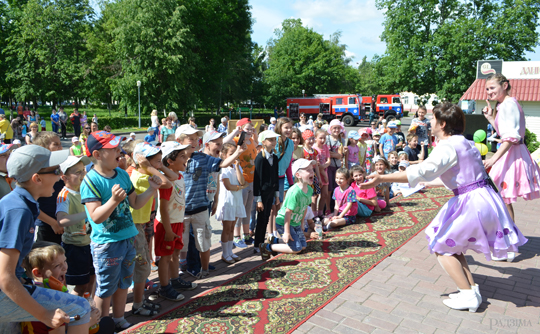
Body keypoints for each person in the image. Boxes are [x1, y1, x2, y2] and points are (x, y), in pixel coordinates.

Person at [361, 102, 527, 311]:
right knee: (452, 244)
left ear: (443, 123)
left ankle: (468, 295)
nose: (430, 123)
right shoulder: (465, 142)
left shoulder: (448, 146)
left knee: (441, 246)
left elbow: (422, 170)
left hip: (471, 202)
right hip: (482, 197)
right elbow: (462, 175)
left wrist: (381, 178)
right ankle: (471, 289)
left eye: (432, 119)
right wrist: (426, 182)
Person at [0, 145, 93, 334]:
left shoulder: (23, 202)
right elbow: (5, 277)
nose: (60, 177)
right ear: (37, 179)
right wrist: (44, 314)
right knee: (81, 308)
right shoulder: (19, 210)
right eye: (56, 171)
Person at [80, 131, 162, 331]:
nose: (120, 151)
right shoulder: (90, 181)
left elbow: (134, 203)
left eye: (119, 147)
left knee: (125, 282)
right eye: (114, 148)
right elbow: (96, 216)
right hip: (107, 244)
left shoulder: (123, 174)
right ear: (97, 155)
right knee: (106, 287)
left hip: (128, 239)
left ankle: (118, 319)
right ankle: (101, 324)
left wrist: (151, 189)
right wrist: (114, 200)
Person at [175, 124, 245, 279]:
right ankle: (186, 265)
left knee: (201, 238)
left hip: (200, 205)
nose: (194, 142)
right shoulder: (173, 159)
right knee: (184, 240)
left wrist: (238, 152)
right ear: (179, 140)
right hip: (180, 208)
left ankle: (198, 265)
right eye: (190, 139)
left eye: (195, 139)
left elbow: (222, 165)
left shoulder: (203, 158)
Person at [482, 73, 540, 230]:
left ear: (505, 86)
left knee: (500, 195)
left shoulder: (508, 104)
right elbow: (506, 133)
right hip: (511, 152)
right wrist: (490, 118)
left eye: (492, 88)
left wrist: (493, 160)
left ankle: (509, 237)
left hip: (512, 154)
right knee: (501, 196)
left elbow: (511, 137)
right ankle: (508, 235)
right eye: (487, 89)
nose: (489, 92)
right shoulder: (504, 105)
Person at [129, 142, 181, 316]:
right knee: (142, 267)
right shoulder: (142, 177)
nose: (161, 165)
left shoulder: (143, 174)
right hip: (135, 227)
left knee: (143, 266)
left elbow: (171, 177)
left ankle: (140, 301)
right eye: (157, 162)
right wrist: (150, 168)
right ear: (143, 163)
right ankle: (137, 305)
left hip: (141, 225)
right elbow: (166, 183)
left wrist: (151, 166)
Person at [21, 242, 109, 334]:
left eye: (65, 261)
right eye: (57, 265)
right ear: (38, 273)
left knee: (105, 324)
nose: (65, 267)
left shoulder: (41, 290)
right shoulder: (51, 303)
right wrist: (89, 322)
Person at [153, 141, 195, 302]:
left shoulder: (179, 176)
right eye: (182, 156)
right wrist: (169, 230)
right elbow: (163, 208)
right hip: (166, 224)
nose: (187, 159)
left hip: (176, 221)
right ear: (169, 161)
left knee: (175, 252)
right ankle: (164, 287)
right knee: (165, 256)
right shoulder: (166, 182)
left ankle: (175, 279)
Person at [259, 159, 315, 260]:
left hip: (296, 223)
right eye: (308, 170)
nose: (312, 172)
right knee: (297, 249)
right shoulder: (294, 192)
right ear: (298, 175)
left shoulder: (309, 190)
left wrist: (302, 223)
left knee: (303, 246)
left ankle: (275, 241)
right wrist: (287, 232)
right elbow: (287, 213)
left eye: (312, 169)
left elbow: (305, 208)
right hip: (283, 222)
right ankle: (267, 247)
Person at [57, 156, 94, 297]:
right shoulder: (64, 195)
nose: (82, 175)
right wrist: (87, 212)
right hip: (75, 246)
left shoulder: (84, 189)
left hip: (89, 242)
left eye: (83, 171)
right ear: (64, 177)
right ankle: (74, 311)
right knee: (81, 284)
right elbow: (61, 220)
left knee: (92, 278)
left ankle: (87, 308)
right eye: (77, 172)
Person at [223, 118, 258, 249]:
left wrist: (254, 133)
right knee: (239, 209)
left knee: (248, 209)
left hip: (252, 180)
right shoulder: (238, 141)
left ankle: (246, 235)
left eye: (251, 128)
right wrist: (235, 132)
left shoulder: (252, 141)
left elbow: (257, 144)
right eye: (247, 129)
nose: (250, 131)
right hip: (241, 180)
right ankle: (236, 236)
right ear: (241, 129)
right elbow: (224, 143)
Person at [216, 143, 247, 263]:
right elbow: (228, 186)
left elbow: (242, 181)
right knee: (227, 228)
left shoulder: (237, 167)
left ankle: (230, 252)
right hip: (227, 201)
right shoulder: (223, 168)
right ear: (224, 155)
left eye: (236, 153)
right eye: (231, 154)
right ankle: (225, 253)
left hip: (236, 200)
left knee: (232, 227)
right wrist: (240, 187)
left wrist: (238, 167)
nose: (234, 156)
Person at [33, 132, 65, 245]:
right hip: (46, 224)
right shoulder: (38, 170)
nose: (60, 147)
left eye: (60, 144)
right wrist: (53, 223)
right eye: (56, 144)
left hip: (62, 221)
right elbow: (31, 204)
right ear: (43, 148)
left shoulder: (59, 165)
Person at [253, 131, 281, 251]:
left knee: (266, 217)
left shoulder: (274, 157)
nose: (273, 142)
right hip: (263, 193)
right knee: (261, 219)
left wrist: (277, 195)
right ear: (263, 142)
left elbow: (275, 176)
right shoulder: (260, 158)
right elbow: (257, 179)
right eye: (270, 140)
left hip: (271, 193)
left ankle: (262, 243)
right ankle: (257, 244)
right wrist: (258, 199)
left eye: (274, 140)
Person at [302, 129, 322, 219]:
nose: (311, 141)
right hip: (305, 176)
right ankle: (308, 215)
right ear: (304, 140)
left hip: (313, 176)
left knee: (315, 195)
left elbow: (316, 166)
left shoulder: (314, 151)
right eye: (308, 139)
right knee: (308, 196)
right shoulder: (302, 151)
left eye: (312, 139)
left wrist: (318, 177)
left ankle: (314, 213)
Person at [326, 120, 345, 208]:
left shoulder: (342, 140)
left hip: (338, 166)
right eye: (334, 128)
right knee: (329, 189)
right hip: (329, 166)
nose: (336, 130)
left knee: (338, 187)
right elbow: (326, 153)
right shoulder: (327, 139)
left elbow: (342, 155)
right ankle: (328, 208)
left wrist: (338, 155)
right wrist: (337, 155)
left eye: (338, 128)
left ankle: (337, 206)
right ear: (331, 129)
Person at [314, 129, 331, 217]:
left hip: (325, 173)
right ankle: (314, 214)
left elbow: (328, 160)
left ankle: (320, 213)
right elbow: (318, 166)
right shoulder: (314, 148)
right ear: (316, 138)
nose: (323, 140)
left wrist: (324, 167)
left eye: (324, 138)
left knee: (324, 194)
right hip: (318, 174)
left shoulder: (325, 147)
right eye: (320, 138)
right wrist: (324, 174)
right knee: (315, 196)